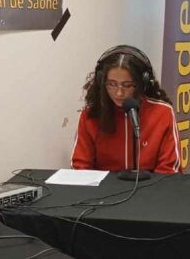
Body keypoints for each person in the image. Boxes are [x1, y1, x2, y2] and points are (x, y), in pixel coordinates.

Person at [71, 45, 181, 173]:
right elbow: (80, 167)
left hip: (151, 185)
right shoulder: (90, 115)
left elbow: (169, 170)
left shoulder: (163, 113)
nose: (119, 93)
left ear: (142, 83)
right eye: (112, 84)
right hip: (104, 185)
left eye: (127, 85)